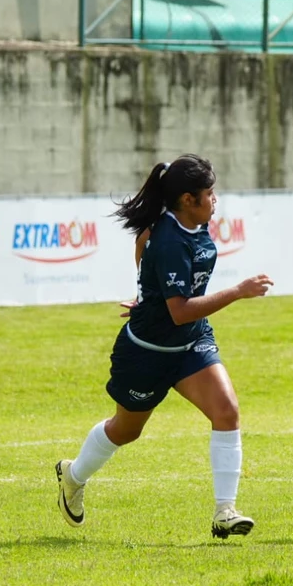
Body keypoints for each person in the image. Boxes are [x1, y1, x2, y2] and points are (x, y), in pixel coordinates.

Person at [54, 154, 274, 539]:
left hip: (190, 344)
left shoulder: (190, 225)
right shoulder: (169, 239)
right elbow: (179, 311)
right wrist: (238, 292)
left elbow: (147, 263)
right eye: (209, 193)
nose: (215, 199)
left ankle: (225, 511)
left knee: (227, 411)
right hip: (147, 352)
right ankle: (73, 477)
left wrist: (144, 298)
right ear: (188, 199)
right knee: (126, 430)